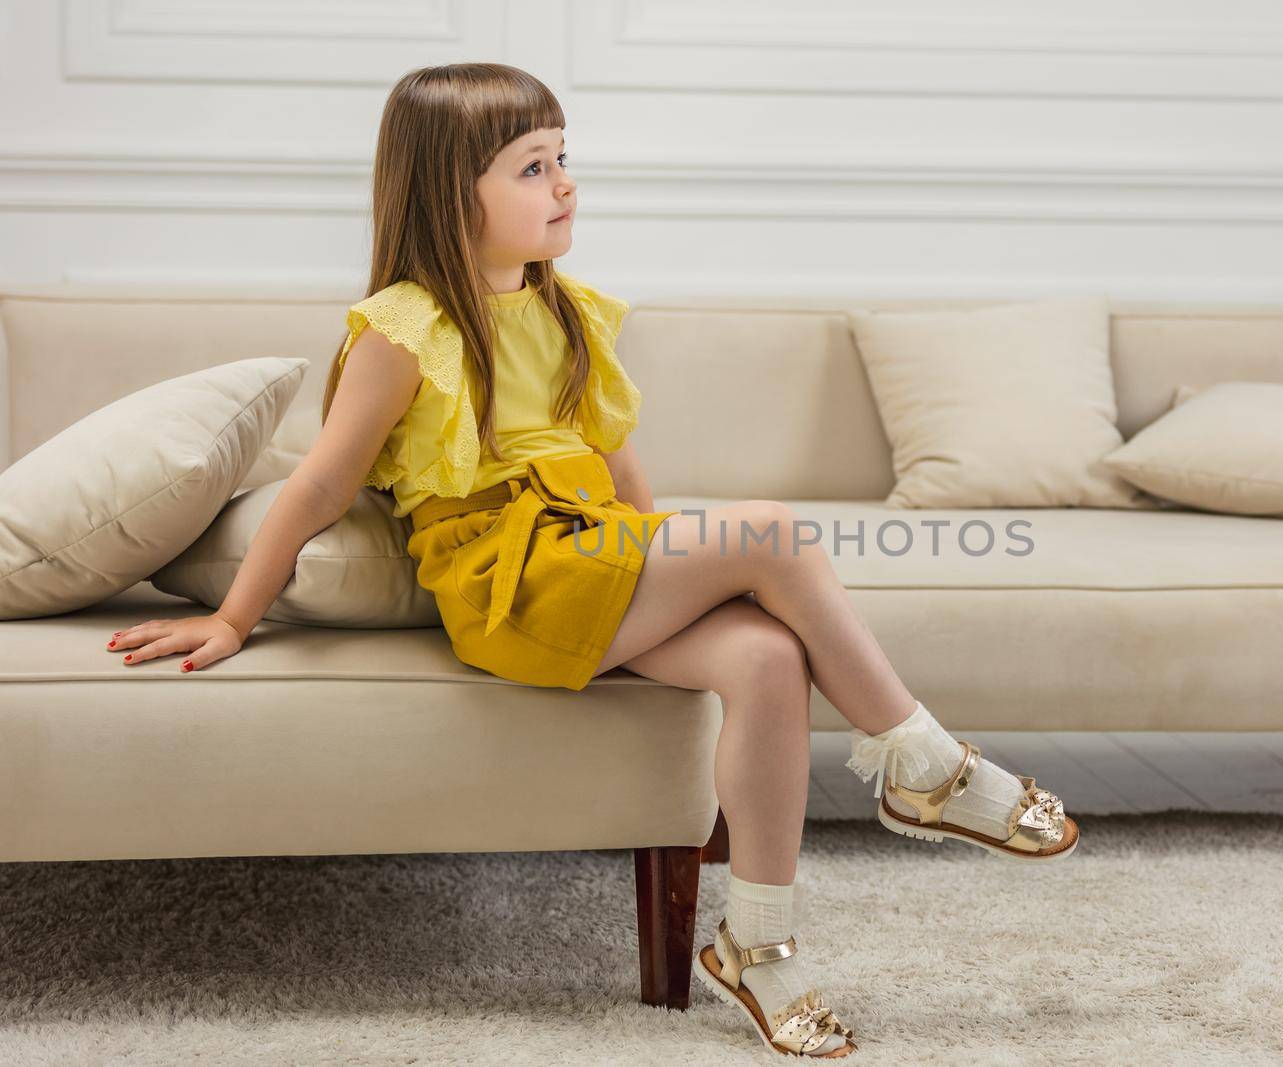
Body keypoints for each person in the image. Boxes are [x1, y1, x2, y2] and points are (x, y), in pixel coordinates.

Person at [102, 62, 1078, 1058]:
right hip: (509, 580)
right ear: (450, 193)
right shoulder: (404, 328)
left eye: (563, 159)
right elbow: (316, 486)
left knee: (767, 659)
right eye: (532, 167)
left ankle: (759, 942)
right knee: (770, 530)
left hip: (593, 560)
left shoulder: (570, 310)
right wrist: (234, 616)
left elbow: (620, 474)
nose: (564, 183)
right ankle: (923, 763)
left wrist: (678, 589)